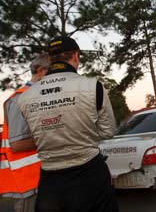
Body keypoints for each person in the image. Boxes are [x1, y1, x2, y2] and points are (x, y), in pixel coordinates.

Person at [16, 37, 119, 212]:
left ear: (50, 59)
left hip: (50, 180)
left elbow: (34, 135)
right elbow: (108, 132)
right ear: (76, 56)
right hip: (90, 173)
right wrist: (82, 133)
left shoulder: (25, 97)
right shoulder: (92, 86)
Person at [0, 54, 49, 212]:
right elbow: (18, 144)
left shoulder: (38, 97)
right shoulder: (21, 99)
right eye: (53, 72)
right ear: (40, 71)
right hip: (26, 184)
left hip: (39, 179)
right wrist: (55, 138)